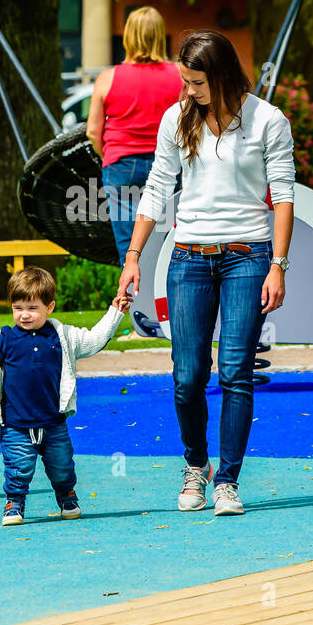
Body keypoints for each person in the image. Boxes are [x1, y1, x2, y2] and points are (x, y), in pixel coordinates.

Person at [117, 29, 295, 517]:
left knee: (236, 371)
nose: (188, 91)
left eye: (196, 82)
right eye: (185, 81)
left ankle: (229, 481)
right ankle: (196, 467)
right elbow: (156, 187)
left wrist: (278, 265)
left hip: (249, 256)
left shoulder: (268, 120)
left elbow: (283, 195)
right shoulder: (177, 119)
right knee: (187, 376)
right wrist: (133, 256)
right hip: (188, 257)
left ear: (219, 76)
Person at [0, 267, 128, 526]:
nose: (24, 315)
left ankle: (66, 495)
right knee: (18, 467)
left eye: (32, 308)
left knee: (62, 466)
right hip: (15, 423)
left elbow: (94, 340)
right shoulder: (2, 341)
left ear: (49, 307)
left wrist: (115, 313)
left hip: (53, 421)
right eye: (18, 308)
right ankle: (15, 502)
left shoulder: (63, 337)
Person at [86, 6, 183, 265]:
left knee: (129, 245)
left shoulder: (108, 78)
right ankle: (164, 301)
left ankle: (132, 300)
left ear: (128, 36)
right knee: (166, 241)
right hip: (168, 166)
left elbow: (94, 131)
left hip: (122, 165)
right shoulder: (180, 76)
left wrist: (109, 157)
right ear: (159, 35)